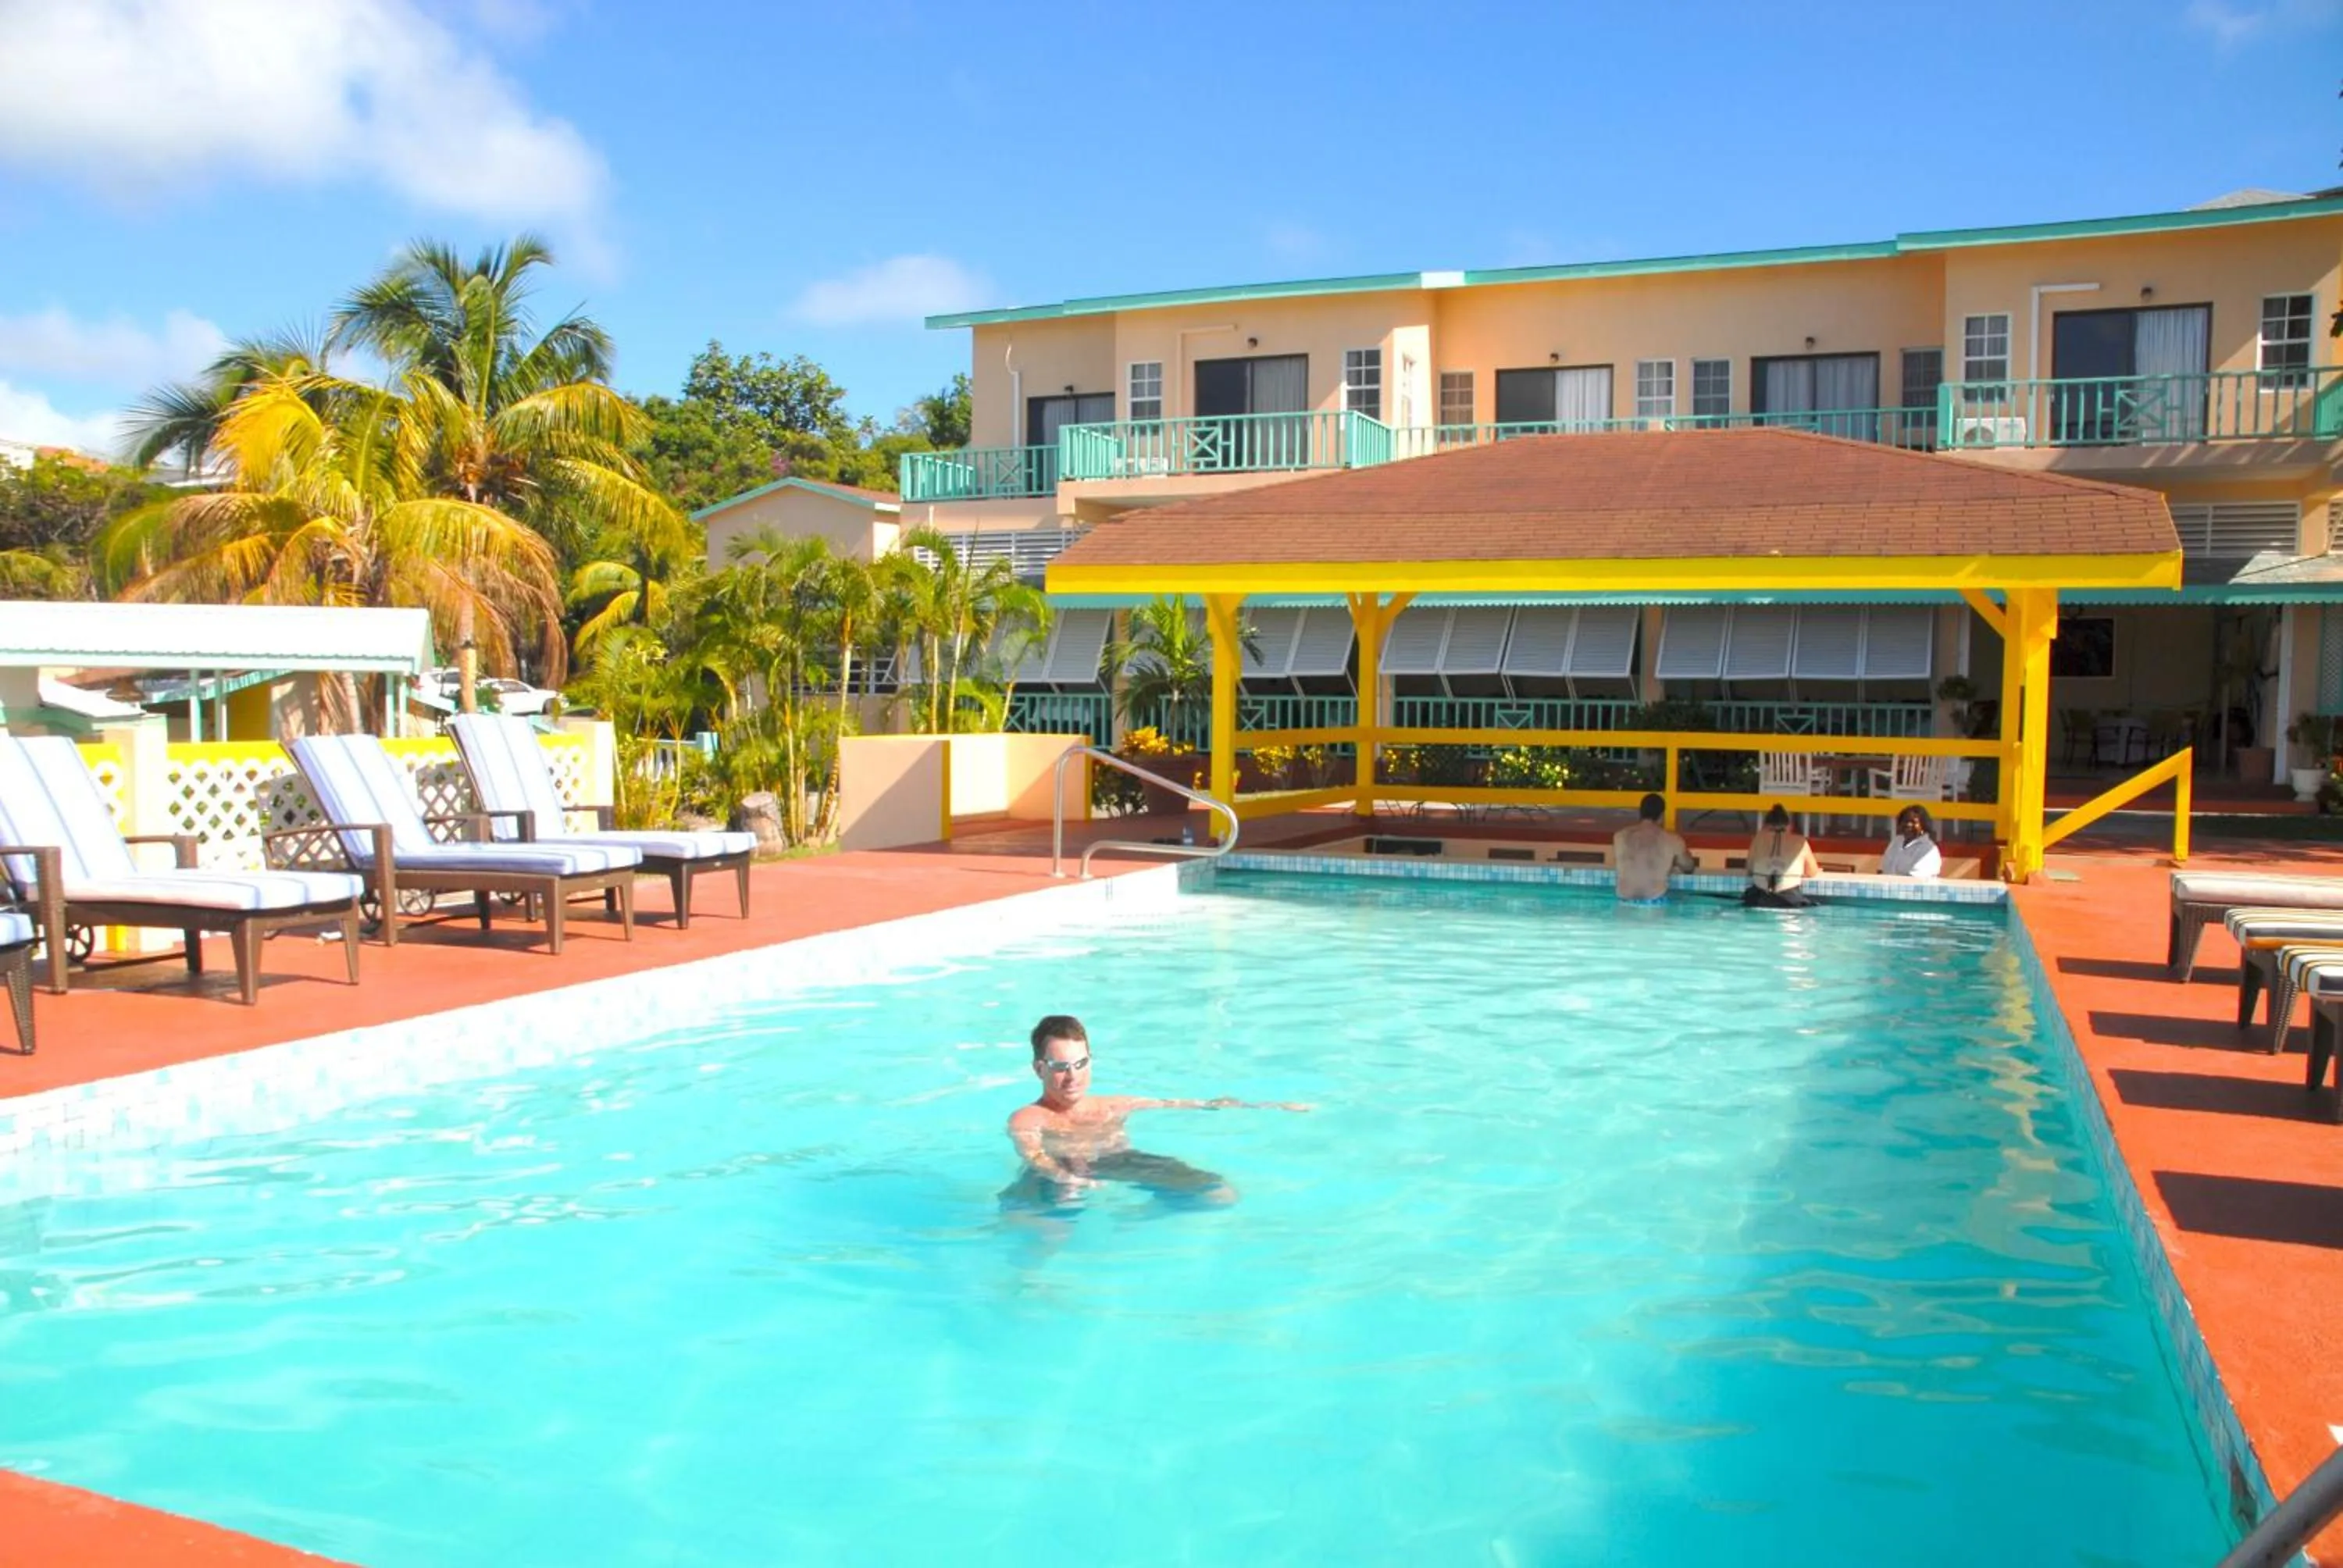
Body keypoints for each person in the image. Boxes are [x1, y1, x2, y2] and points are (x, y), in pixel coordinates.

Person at [1004, 1015, 1308, 1207]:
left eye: (1080, 1063)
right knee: (1046, 1228)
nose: (1073, 1076)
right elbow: (1034, 1155)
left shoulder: (1114, 1105)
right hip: (1052, 1178)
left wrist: (1270, 1106)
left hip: (1117, 1162)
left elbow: (1187, 1104)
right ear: (1039, 1069)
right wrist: (1064, 1177)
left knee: (1220, 1195)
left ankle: (1144, 1215)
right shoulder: (1028, 1117)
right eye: (1060, 1067)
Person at [1612, 792, 1696, 902]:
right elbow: (1688, 868)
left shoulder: (1620, 836)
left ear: (1640, 813)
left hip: (1624, 902)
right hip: (1654, 903)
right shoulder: (1672, 840)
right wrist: (1675, 861)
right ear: (1662, 816)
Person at [1742, 803, 1822, 908]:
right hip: (1789, 899)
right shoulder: (1800, 841)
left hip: (1759, 897)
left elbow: (1749, 869)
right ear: (1789, 826)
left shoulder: (1758, 839)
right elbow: (1812, 872)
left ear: (1765, 826)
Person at [1879, 804, 1943, 878]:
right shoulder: (1896, 841)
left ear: (1923, 825)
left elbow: (1914, 880)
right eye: (1905, 821)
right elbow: (1882, 870)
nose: (1908, 825)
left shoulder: (1928, 849)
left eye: (1914, 822)